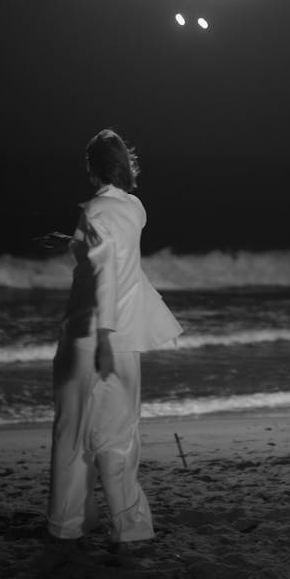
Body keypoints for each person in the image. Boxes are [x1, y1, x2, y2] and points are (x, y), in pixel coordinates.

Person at [46, 128, 183, 544]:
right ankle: (130, 527)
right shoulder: (134, 208)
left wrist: (103, 339)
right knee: (120, 436)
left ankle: (69, 524)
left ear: (91, 168)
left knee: (74, 435)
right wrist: (73, 241)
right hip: (124, 337)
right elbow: (114, 254)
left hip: (93, 337)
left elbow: (106, 273)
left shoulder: (96, 211)